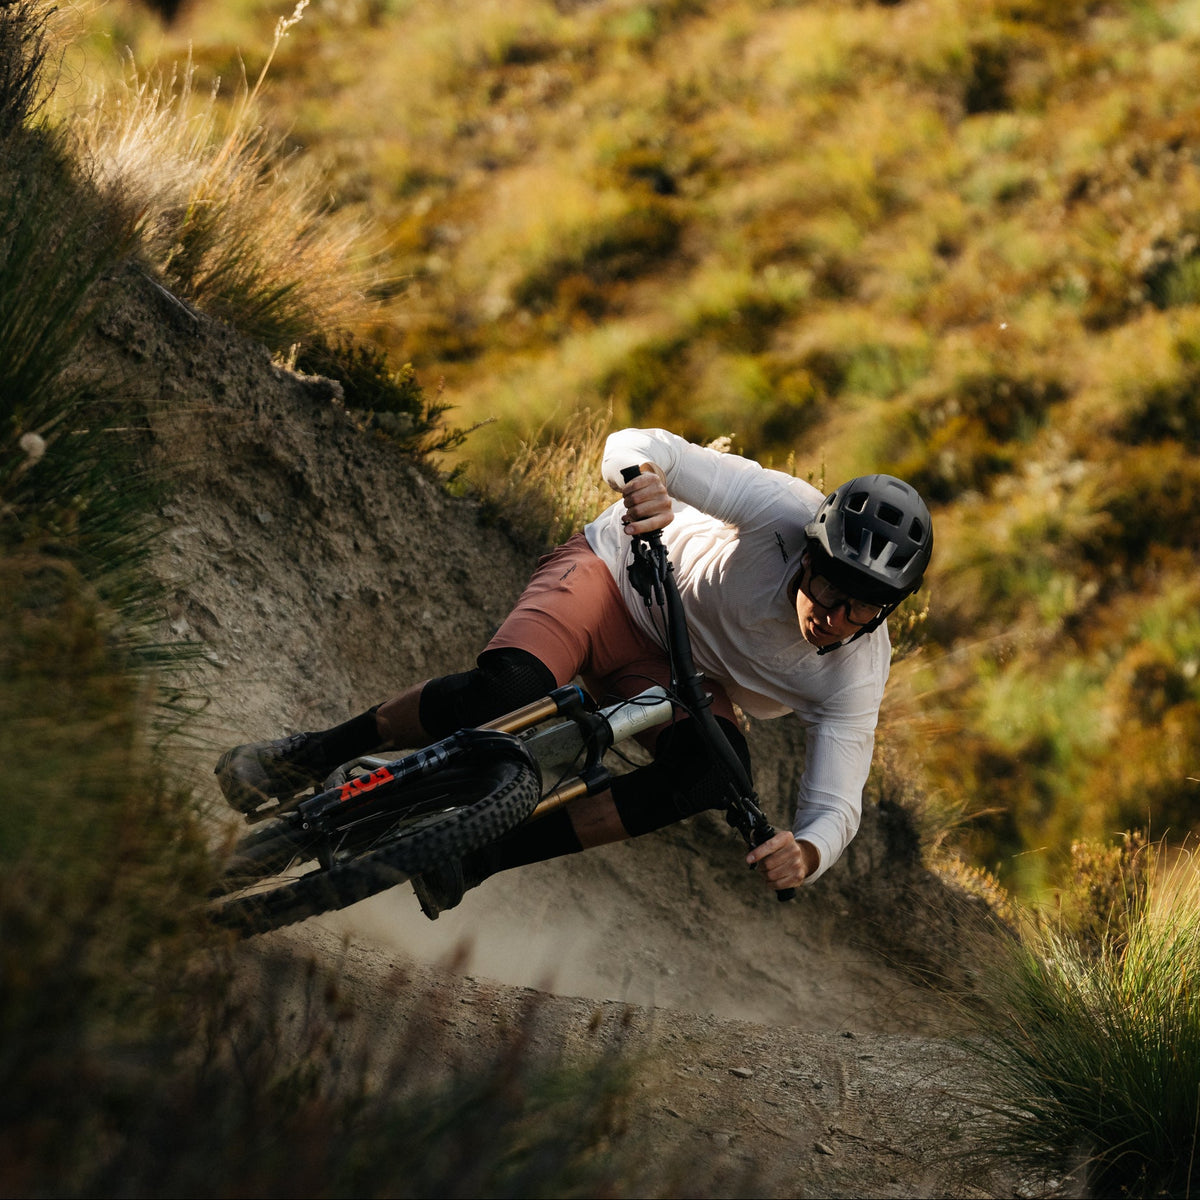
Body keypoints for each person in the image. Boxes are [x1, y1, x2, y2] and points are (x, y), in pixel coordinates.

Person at [215, 427, 933, 919]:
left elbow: (838, 801)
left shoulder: (855, 673)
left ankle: (476, 856)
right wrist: (643, 481)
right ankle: (310, 755)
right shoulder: (780, 509)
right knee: (508, 692)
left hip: (675, 676)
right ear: (808, 554)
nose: (836, 617)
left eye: (863, 610)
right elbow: (642, 446)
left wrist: (806, 853)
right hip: (614, 580)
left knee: (714, 773)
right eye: (831, 589)